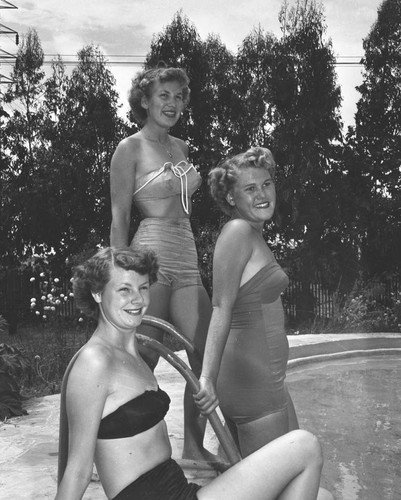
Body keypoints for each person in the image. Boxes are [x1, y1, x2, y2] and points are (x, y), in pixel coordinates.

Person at [56, 246, 325, 500]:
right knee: (304, 447)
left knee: (323, 495)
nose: (137, 299)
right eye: (124, 290)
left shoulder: (132, 352)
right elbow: (77, 471)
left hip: (180, 491)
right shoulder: (94, 362)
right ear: (98, 293)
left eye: (144, 287)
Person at [109, 65, 212, 460]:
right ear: (145, 101)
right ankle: (122, 449)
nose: (172, 104)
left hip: (187, 254)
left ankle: (193, 447)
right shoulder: (129, 149)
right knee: (143, 357)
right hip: (149, 256)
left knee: (203, 354)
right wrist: (119, 275)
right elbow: (119, 215)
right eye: (163, 96)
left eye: (178, 97)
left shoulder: (182, 148)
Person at [195, 147, 299, 458]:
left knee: (288, 475)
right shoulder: (238, 231)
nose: (262, 194)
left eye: (267, 184)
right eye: (250, 188)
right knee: (272, 486)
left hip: (269, 377)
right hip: (252, 383)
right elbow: (220, 307)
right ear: (231, 198)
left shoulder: (254, 233)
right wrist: (206, 378)